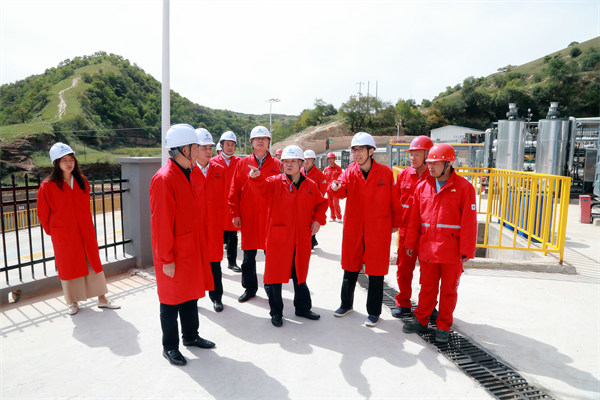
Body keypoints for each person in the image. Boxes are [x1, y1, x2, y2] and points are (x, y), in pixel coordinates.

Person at [150, 124, 215, 366]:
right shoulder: (164, 179)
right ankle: (170, 346)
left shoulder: (187, 173)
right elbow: (161, 223)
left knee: (190, 296)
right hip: (173, 252)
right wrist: (166, 258)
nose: (199, 151)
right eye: (196, 147)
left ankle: (191, 336)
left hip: (189, 247)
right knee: (170, 301)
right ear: (184, 149)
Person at [402, 144, 477, 343]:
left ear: (448, 164)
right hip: (427, 247)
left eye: (435, 163)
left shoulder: (464, 188)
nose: (431, 167)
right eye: (429, 163)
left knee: (448, 290)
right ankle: (421, 319)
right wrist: (410, 243)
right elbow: (414, 219)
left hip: (452, 251)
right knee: (427, 286)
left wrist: (466, 250)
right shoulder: (423, 187)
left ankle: (443, 325)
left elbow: (469, 222)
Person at [248, 145, 328, 327]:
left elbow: (322, 204)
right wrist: (256, 177)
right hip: (279, 238)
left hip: (301, 237)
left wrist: (317, 220)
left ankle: (303, 308)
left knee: (300, 274)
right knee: (275, 277)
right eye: (285, 161)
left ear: (301, 163)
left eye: (293, 161)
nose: (289, 164)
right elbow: (261, 188)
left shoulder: (310, 185)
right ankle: (276, 312)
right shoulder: (274, 182)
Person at [37, 143, 120, 316]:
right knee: (69, 266)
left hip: (85, 230)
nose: (69, 163)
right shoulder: (48, 186)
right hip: (64, 234)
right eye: (64, 160)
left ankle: (102, 299)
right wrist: (56, 232)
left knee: (93, 263)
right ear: (56, 163)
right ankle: (72, 302)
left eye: (71, 160)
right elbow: (43, 215)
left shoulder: (82, 181)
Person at [329, 132, 402, 327]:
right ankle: (346, 305)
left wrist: (396, 221)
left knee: (376, 272)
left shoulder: (385, 172)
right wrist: (334, 187)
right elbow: (341, 191)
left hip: (377, 228)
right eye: (354, 150)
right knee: (350, 267)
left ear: (371, 151)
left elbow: (394, 198)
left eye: (360, 149)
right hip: (354, 228)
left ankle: (374, 312)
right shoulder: (349, 172)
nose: (356, 154)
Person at [228, 126, 282, 303]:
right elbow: (234, 190)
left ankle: (270, 287)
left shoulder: (278, 165)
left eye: (264, 138)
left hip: (269, 217)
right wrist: (235, 213)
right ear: (251, 142)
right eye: (257, 139)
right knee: (248, 257)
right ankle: (250, 288)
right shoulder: (241, 164)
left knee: (271, 256)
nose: (260, 141)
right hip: (248, 216)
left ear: (269, 142)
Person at [391, 136, 438, 321]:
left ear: (428, 155)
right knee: (404, 269)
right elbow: (395, 202)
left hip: (427, 234)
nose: (412, 158)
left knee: (428, 274)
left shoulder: (435, 177)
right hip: (405, 232)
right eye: (411, 154)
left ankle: (428, 306)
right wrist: (393, 224)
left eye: (417, 154)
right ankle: (403, 303)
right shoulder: (403, 175)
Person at [193, 128, 227, 313]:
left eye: (210, 147)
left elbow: (225, 196)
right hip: (195, 226)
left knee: (215, 263)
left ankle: (216, 297)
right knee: (195, 263)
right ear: (195, 149)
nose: (208, 151)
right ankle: (194, 297)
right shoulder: (188, 171)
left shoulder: (219, 170)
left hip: (214, 225)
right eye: (204, 147)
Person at [212, 131, 241, 273]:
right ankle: (215, 264)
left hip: (233, 204)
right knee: (216, 236)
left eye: (232, 145)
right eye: (227, 144)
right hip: (217, 205)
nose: (230, 147)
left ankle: (232, 262)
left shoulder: (240, 162)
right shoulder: (213, 162)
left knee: (233, 235)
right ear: (221, 145)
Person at [301, 149, 328, 249]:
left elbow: (323, 189)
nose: (306, 161)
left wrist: (316, 200)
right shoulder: (300, 172)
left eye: (309, 159)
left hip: (313, 203)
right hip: (301, 202)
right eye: (305, 159)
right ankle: (312, 240)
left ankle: (311, 242)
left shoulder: (319, 174)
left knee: (312, 222)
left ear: (313, 160)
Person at [324, 152, 343, 222]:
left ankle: (339, 217)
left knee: (335, 204)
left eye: (332, 158)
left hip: (336, 190)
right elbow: (324, 180)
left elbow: (341, 178)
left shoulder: (338, 168)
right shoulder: (326, 169)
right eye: (329, 159)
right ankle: (332, 217)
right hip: (329, 190)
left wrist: (339, 186)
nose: (330, 160)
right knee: (330, 204)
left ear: (334, 159)